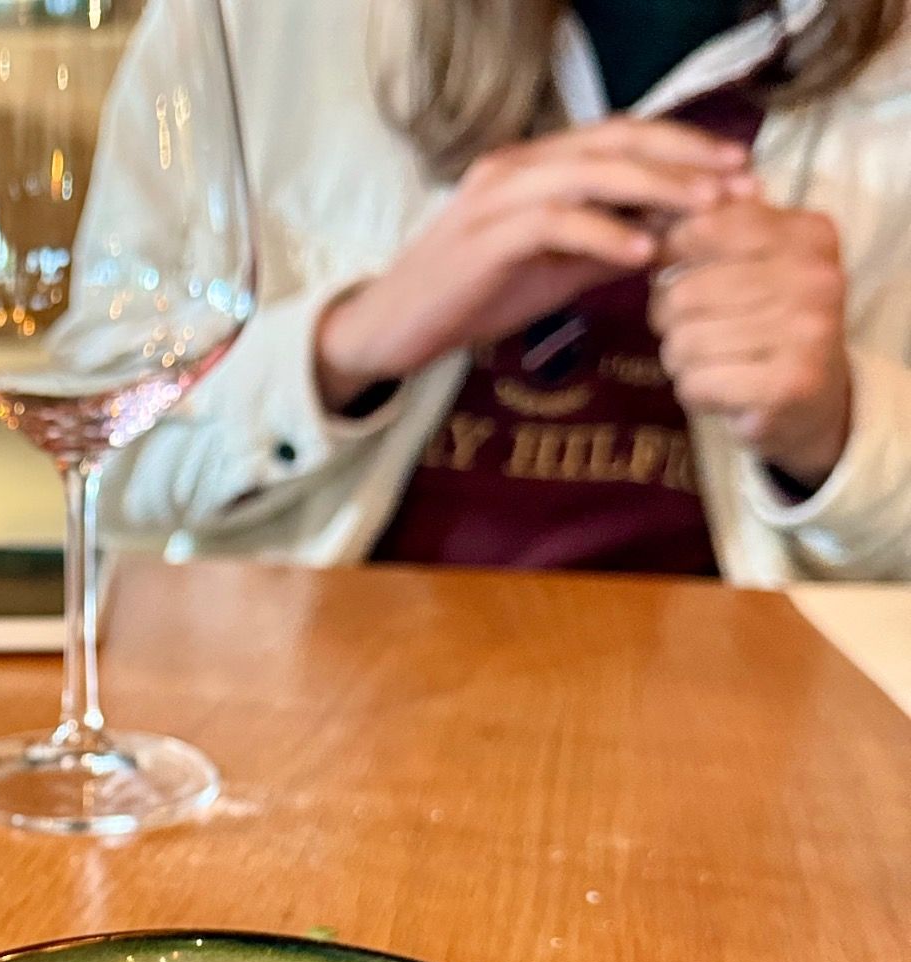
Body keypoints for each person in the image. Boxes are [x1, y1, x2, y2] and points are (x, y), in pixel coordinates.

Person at [98, 0, 911, 585]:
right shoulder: (252, 26)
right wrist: (352, 344)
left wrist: (835, 431)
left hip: (772, 726)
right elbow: (105, 463)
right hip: (311, 707)